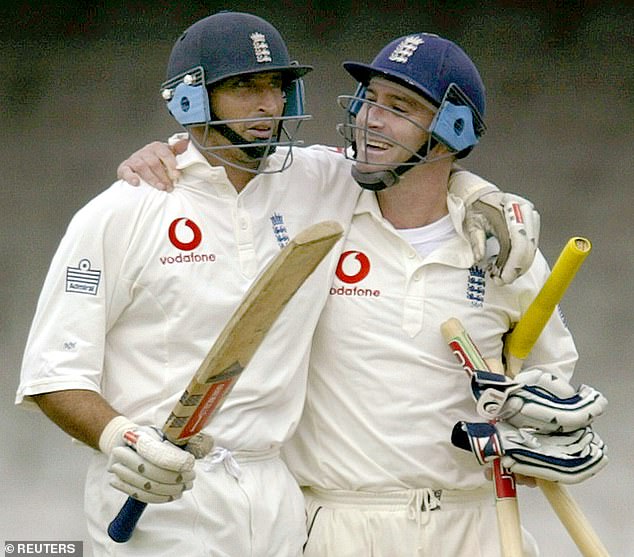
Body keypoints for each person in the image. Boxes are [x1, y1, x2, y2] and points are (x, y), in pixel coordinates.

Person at [121, 31, 608, 557]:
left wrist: (540, 443)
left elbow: (548, 402)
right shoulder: (314, 210)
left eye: (398, 106)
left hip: (476, 524)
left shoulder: (503, 251)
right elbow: (224, 156)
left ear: (452, 128)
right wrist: (160, 151)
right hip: (337, 524)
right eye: (367, 100)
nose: (370, 118)